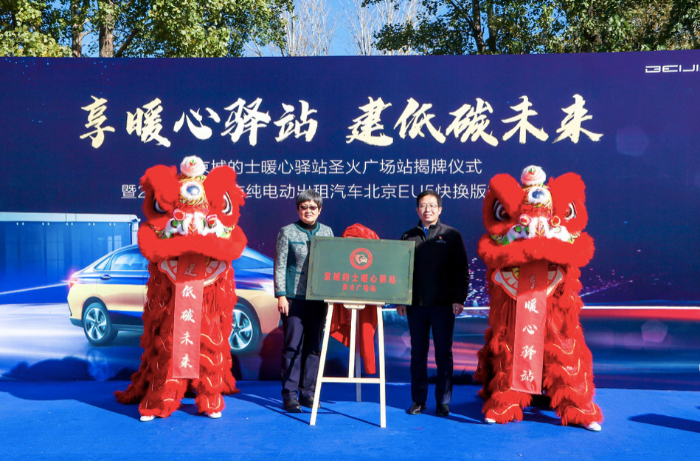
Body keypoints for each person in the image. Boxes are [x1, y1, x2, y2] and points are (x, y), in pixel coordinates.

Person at [396, 190, 469, 416]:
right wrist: (399, 300)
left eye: (432, 205)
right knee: (417, 354)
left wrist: (459, 299)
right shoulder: (408, 236)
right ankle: (419, 400)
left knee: (443, 355)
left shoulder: (451, 235)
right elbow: (401, 271)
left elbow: (461, 270)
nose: (427, 210)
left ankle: (443, 401)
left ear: (440, 209)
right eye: (423, 206)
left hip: (443, 306)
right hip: (416, 306)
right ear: (417, 210)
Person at [274, 189, 334, 412]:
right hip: (293, 298)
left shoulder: (327, 232)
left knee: (313, 347)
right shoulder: (287, 232)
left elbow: (332, 264)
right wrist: (281, 294)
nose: (308, 211)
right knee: (292, 347)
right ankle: (289, 395)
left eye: (312, 207)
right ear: (298, 209)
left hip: (319, 298)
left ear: (320, 210)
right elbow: (280, 265)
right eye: (304, 207)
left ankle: (309, 393)